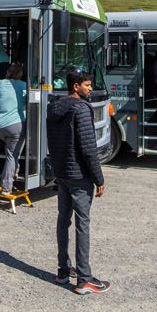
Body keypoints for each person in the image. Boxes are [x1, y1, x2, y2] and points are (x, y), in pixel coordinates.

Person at [46, 69, 109, 294]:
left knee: (63, 220)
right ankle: (84, 279)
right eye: (87, 85)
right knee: (83, 223)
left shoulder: (54, 108)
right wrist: (98, 177)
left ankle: (63, 271)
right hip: (79, 176)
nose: (90, 88)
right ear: (76, 87)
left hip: (61, 173)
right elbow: (88, 149)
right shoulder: (81, 109)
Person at [0, 62, 28, 193]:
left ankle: (14, 172)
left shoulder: (0, 83)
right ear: (21, 74)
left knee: (11, 153)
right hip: (15, 126)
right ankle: (6, 187)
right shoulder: (25, 86)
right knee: (12, 155)